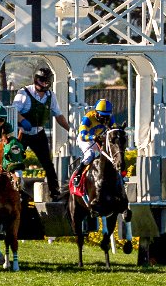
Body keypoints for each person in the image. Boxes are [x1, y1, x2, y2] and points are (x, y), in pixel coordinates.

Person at [11, 67, 71, 201]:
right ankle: (17, 190)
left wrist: (70, 129)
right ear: (35, 80)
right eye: (41, 80)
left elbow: (58, 115)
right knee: (16, 162)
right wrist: (22, 120)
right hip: (22, 133)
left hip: (39, 133)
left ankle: (55, 193)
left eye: (46, 81)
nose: (43, 83)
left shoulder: (51, 95)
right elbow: (13, 111)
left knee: (47, 163)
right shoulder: (24, 93)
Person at [71, 99, 116, 195]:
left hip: (99, 138)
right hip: (86, 139)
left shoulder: (110, 118)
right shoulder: (88, 118)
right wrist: (93, 137)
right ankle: (77, 174)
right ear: (96, 112)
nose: (104, 119)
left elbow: (114, 130)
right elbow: (82, 135)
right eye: (102, 115)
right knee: (90, 155)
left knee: (110, 155)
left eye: (106, 116)